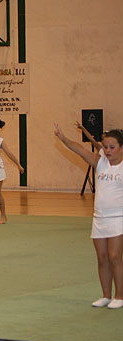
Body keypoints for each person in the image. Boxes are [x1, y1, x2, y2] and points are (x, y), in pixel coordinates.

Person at [54, 125, 123, 309]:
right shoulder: (100, 162)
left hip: (118, 218)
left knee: (115, 256)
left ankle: (120, 296)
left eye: (112, 147)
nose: (107, 151)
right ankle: (106, 295)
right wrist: (63, 138)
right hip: (99, 218)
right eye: (105, 147)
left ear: (121, 147)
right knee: (102, 258)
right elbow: (80, 150)